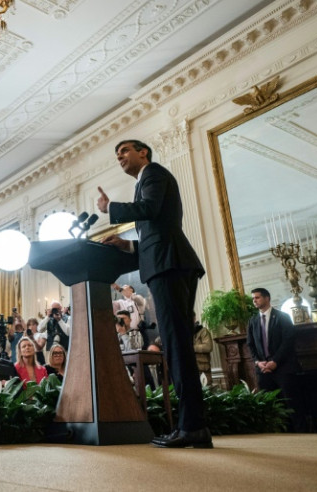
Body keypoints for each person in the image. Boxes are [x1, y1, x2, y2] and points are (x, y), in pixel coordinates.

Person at [97, 139, 210, 449]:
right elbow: (154, 229)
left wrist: (111, 208)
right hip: (167, 262)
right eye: (116, 152)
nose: (119, 156)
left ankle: (191, 428)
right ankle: (193, 427)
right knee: (176, 345)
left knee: (176, 346)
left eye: (124, 151)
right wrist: (128, 245)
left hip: (170, 264)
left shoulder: (154, 173)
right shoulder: (144, 182)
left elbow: (150, 210)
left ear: (142, 152)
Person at [246, 288, 305, 432]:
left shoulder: (282, 316)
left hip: (284, 368)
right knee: (270, 405)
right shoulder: (252, 321)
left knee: (291, 404)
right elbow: (250, 344)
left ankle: (301, 434)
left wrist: (275, 361)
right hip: (263, 370)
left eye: (257, 297)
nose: (254, 300)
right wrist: (258, 362)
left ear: (267, 298)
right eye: (253, 298)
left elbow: (288, 341)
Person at [191, 312, 213, 385]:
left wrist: (191, 348)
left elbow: (208, 347)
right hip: (189, 368)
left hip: (202, 368)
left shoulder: (203, 331)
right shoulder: (183, 333)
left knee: (206, 391)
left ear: (194, 318)